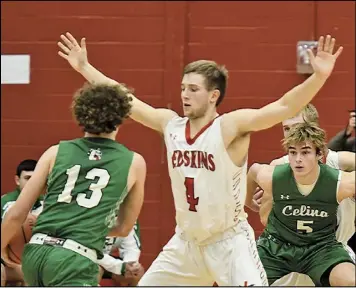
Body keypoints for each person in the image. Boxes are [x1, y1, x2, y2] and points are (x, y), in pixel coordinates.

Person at [58, 31, 342, 286]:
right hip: (187, 243)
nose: (184, 94)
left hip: (228, 242)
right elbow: (127, 101)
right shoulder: (170, 124)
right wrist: (84, 67)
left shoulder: (229, 127)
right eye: (183, 88)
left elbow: (282, 106)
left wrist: (318, 77)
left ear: (213, 95)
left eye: (193, 89)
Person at [1, 83, 147, 286]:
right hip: (74, 259)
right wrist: (83, 226)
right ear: (122, 116)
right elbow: (123, 228)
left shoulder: (55, 152)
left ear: (81, 114)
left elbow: (17, 213)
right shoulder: (134, 162)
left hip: (35, 253)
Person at [252, 103, 355, 286]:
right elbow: (264, 217)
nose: (291, 133)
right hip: (286, 254)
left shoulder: (342, 162)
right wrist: (258, 203)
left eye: (297, 127)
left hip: (329, 253)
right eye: (286, 129)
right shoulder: (278, 169)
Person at [1, 159, 44, 286]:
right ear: (17, 180)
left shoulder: (46, 203)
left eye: (34, 178)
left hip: (37, 258)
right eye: (27, 178)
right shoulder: (7, 203)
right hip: (7, 260)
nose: (31, 183)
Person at [98, 222, 144, 286]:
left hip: (108, 260)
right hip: (86, 258)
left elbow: (131, 248)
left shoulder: (128, 216)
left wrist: (129, 268)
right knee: (96, 269)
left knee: (137, 272)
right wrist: (120, 267)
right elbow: (90, 252)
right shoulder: (92, 216)